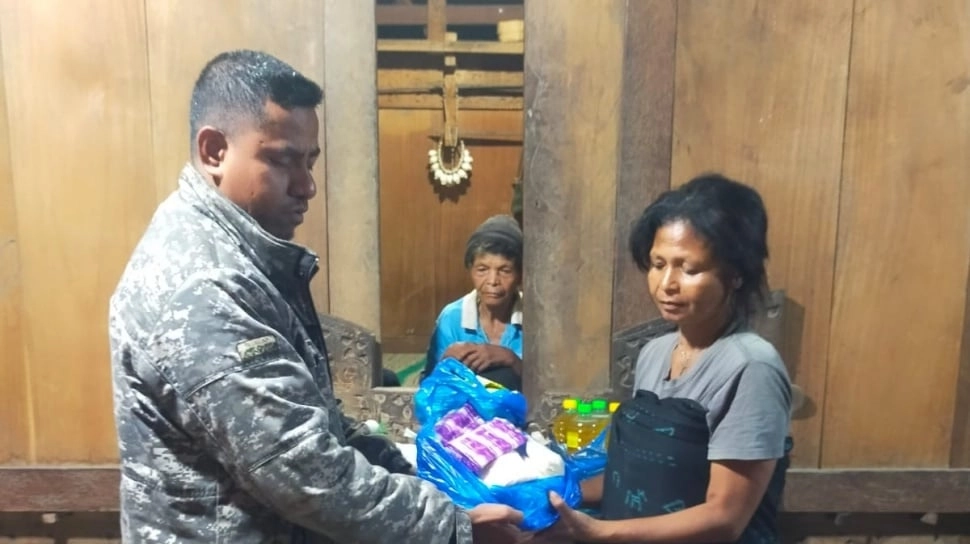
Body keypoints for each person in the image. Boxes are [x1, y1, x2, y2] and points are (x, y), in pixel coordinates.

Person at [108, 49, 521, 543]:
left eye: (310, 161)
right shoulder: (205, 284)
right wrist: (452, 526)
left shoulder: (242, 257)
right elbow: (302, 472)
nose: (307, 186)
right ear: (214, 151)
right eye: (283, 160)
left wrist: (415, 477)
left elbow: (315, 421)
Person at [542, 174, 792, 543]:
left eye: (688, 269)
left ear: (736, 274)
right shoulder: (656, 352)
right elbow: (639, 474)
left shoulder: (750, 368)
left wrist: (598, 533)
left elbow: (724, 518)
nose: (666, 284)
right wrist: (549, 489)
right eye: (658, 264)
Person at [422, 215, 524, 391]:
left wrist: (511, 359)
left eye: (505, 270)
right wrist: (444, 362)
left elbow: (550, 387)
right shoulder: (452, 317)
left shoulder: (536, 321)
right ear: (470, 270)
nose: (493, 280)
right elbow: (428, 387)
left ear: (520, 275)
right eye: (482, 270)